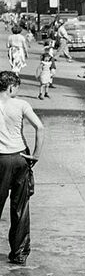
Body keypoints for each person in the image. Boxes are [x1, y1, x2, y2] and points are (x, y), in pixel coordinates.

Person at [0, 71, 45, 265]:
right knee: (20, 208)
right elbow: (40, 128)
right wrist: (35, 155)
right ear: (11, 87)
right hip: (19, 158)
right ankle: (18, 254)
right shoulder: (20, 104)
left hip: (0, 159)